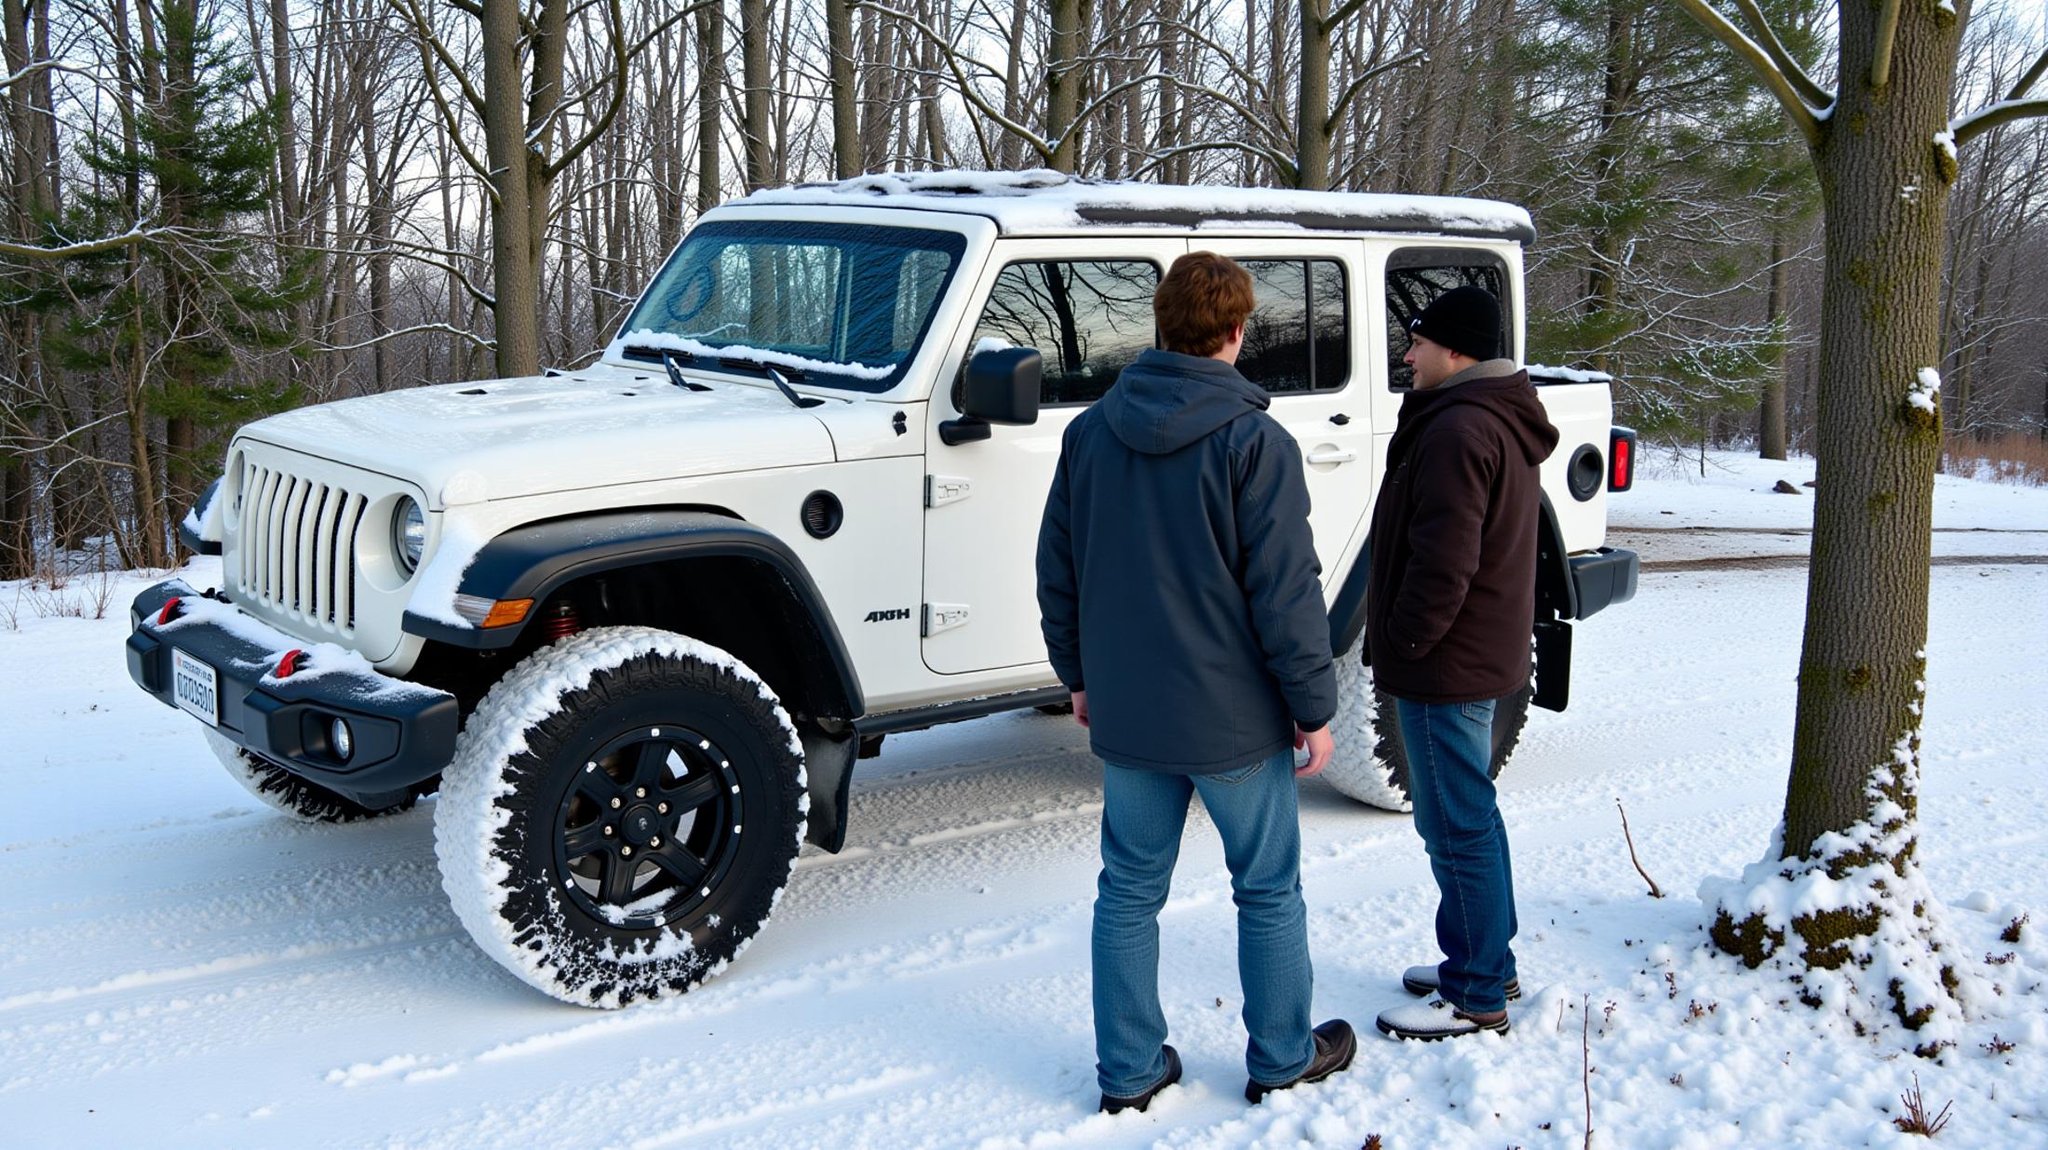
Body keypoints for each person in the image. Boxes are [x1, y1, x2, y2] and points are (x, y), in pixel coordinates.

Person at [1037, 251, 1355, 1113]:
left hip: (1134, 711)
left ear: (1161, 325)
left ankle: (1130, 1071)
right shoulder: (1257, 440)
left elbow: (1057, 569)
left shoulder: (1090, 433)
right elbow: (1287, 592)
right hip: (1233, 720)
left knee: (1129, 892)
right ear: (1238, 331)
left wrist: (1077, 674)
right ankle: (1283, 1056)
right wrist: (1313, 707)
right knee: (1267, 888)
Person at [1366, 285, 1558, 1041]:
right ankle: (1487, 962)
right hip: (1478, 655)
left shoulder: (1459, 430)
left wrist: (1406, 644)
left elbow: (1444, 563)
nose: (1407, 356)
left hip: (1447, 665)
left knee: (1456, 827)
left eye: (1417, 343)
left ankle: (1477, 991)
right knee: (1470, 818)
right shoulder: (1492, 417)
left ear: (1455, 352)